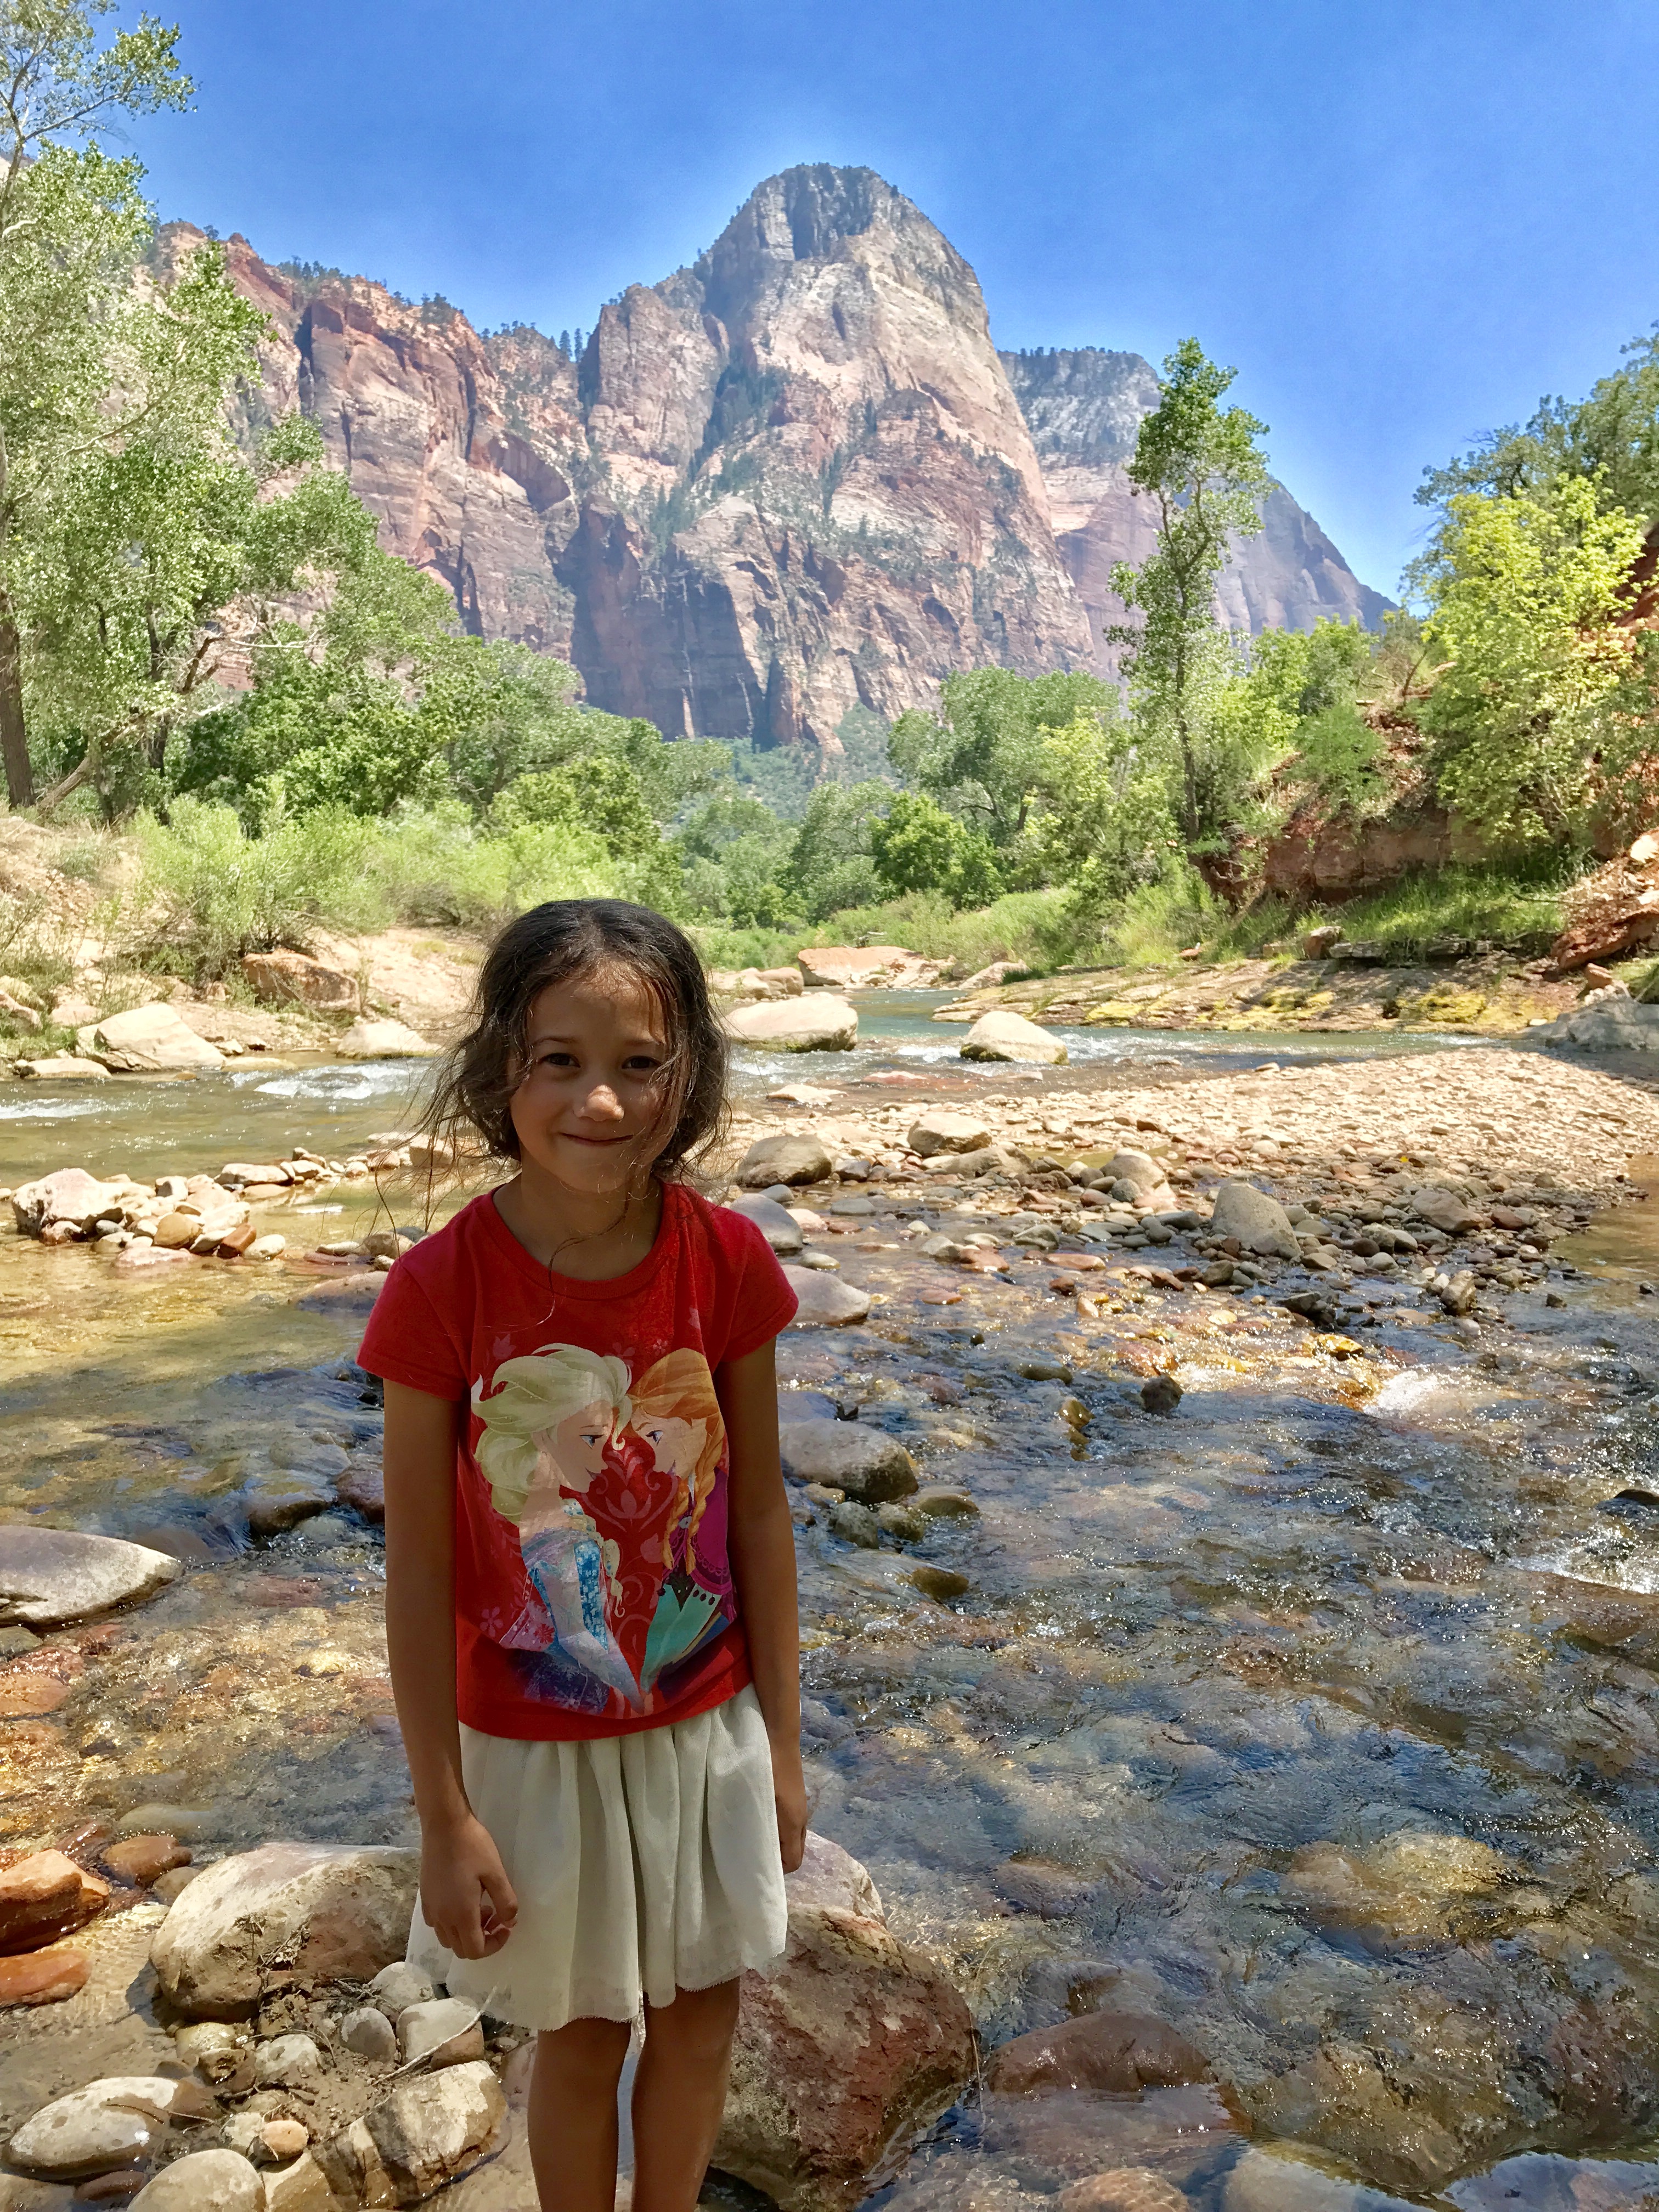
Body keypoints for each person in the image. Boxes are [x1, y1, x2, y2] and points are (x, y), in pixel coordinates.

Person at [358, 898, 808, 2212]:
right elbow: (420, 1570)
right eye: (561, 1060)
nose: (599, 1101)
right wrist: (444, 1815)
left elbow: (761, 1514)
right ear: (502, 1068)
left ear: (689, 1074)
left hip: (707, 1728)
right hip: (534, 1755)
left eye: (638, 1063)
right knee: (587, 2030)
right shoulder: (440, 1288)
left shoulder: (725, 1259)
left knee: (704, 2013)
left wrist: (784, 1749)